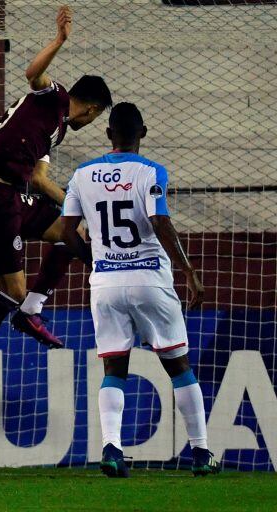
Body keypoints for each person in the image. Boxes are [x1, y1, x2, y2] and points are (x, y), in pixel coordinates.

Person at [0, 5, 113, 411]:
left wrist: (79, 209)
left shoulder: (55, 133)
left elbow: (39, 179)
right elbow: (32, 72)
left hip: (16, 197)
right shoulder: (52, 97)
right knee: (12, 288)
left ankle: (31, 310)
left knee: (75, 235)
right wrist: (58, 41)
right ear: (91, 110)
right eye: (95, 117)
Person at [59, 102, 219, 477]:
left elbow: (67, 232)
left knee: (114, 368)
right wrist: (190, 271)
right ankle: (201, 453)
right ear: (143, 133)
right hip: (150, 279)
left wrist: (96, 261)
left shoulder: (82, 174)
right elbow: (159, 220)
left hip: (106, 284)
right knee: (179, 367)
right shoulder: (151, 172)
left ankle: (111, 448)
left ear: (107, 134)